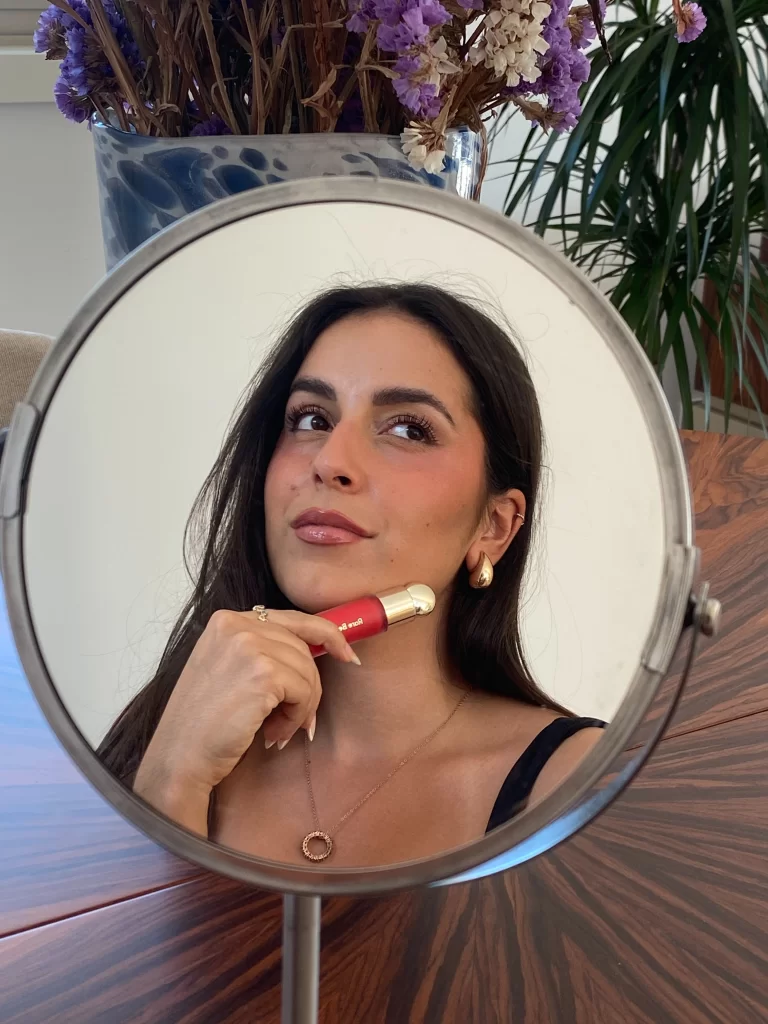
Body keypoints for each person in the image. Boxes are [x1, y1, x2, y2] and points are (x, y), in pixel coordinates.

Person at [97, 282, 606, 867]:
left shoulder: (576, 781)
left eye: (409, 429)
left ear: (493, 526)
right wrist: (167, 785)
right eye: (311, 417)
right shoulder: (168, 734)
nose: (330, 461)